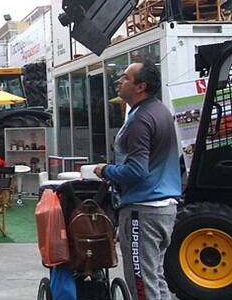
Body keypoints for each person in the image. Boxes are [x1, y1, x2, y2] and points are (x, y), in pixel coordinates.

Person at [94, 59, 182, 300]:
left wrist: (106, 170)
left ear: (140, 87)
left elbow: (137, 170)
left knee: (141, 281)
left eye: (125, 78)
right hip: (164, 207)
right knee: (155, 277)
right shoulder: (160, 111)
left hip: (143, 210)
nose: (119, 81)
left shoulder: (140, 120)